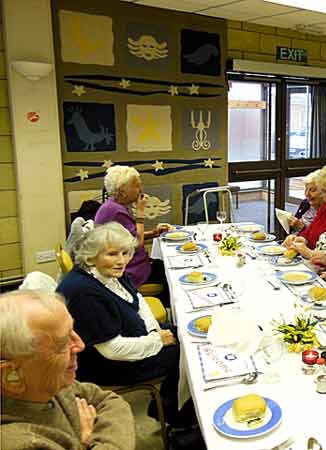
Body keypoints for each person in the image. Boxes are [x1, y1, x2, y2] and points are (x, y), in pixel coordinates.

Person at [56, 222, 188, 426]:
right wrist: (157, 341)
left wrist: (154, 330)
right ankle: (173, 414)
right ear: (92, 255)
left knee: (184, 335)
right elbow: (112, 350)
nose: (121, 261)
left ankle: (170, 403)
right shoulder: (84, 292)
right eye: (112, 254)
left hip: (135, 336)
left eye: (125, 253)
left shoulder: (108, 272)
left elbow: (138, 300)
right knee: (187, 352)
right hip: (106, 365)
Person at [0, 289, 135, 450]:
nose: (80, 345)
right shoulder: (17, 443)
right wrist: (86, 442)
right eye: (63, 343)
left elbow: (110, 401)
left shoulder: (46, 383)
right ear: (11, 377)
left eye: (72, 330)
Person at [95, 165, 169, 291]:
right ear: (122, 191)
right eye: (136, 186)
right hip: (129, 273)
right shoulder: (115, 211)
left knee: (165, 265)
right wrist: (140, 212)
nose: (141, 190)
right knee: (170, 276)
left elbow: (127, 238)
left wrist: (153, 233)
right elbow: (137, 243)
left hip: (135, 264)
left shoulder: (113, 206)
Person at [283, 163, 326, 262]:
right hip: (312, 263)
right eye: (324, 191)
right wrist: (299, 239)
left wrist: (311, 254)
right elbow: (309, 232)